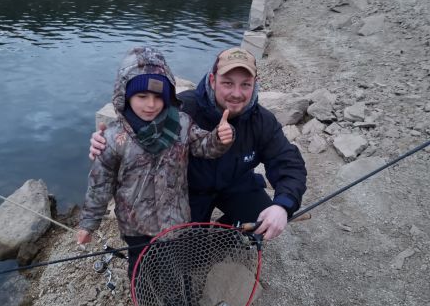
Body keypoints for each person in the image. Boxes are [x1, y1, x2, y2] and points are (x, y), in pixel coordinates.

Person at [77, 46, 234, 306]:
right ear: (125, 96)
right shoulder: (112, 138)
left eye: (157, 97)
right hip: (135, 225)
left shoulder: (182, 124)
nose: (150, 104)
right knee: (138, 269)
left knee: (176, 272)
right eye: (141, 96)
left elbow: (204, 147)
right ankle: (144, 303)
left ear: (167, 97)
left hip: (175, 221)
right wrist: (88, 224)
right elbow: (99, 184)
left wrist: (220, 138)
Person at [89, 47, 307, 240]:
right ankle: (196, 236)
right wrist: (104, 141)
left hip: (236, 184)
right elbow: (137, 128)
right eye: (227, 83)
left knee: (264, 215)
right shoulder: (182, 110)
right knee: (181, 249)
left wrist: (283, 205)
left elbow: (289, 162)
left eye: (245, 85)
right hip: (187, 193)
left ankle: (226, 232)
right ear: (212, 80)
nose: (236, 93)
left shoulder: (263, 121)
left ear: (255, 85)